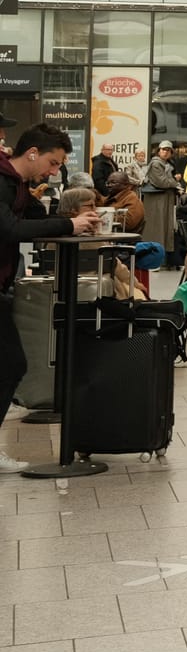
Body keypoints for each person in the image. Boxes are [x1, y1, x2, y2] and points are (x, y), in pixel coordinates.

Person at [0, 125, 101, 471]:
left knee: (11, 364)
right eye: (53, 162)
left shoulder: (15, 184)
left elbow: (37, 218)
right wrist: (69, 226)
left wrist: (73, 221)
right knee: (11, 364)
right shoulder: (3, 181)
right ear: (32, 153)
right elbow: (11, 229)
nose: (55, 171)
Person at [139, 141, 180, 250]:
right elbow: (162, 182)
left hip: (163, 199)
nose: (166, 152)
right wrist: (175, 181)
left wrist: (172, 181)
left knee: (163, 227)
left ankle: (160, 253)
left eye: (168, 150)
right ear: (158, 151)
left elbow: (166, 181)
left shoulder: (168, 164)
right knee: (156, 228)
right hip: (156, 200)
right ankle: (154, 253)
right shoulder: (156, 163)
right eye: (163, 149)